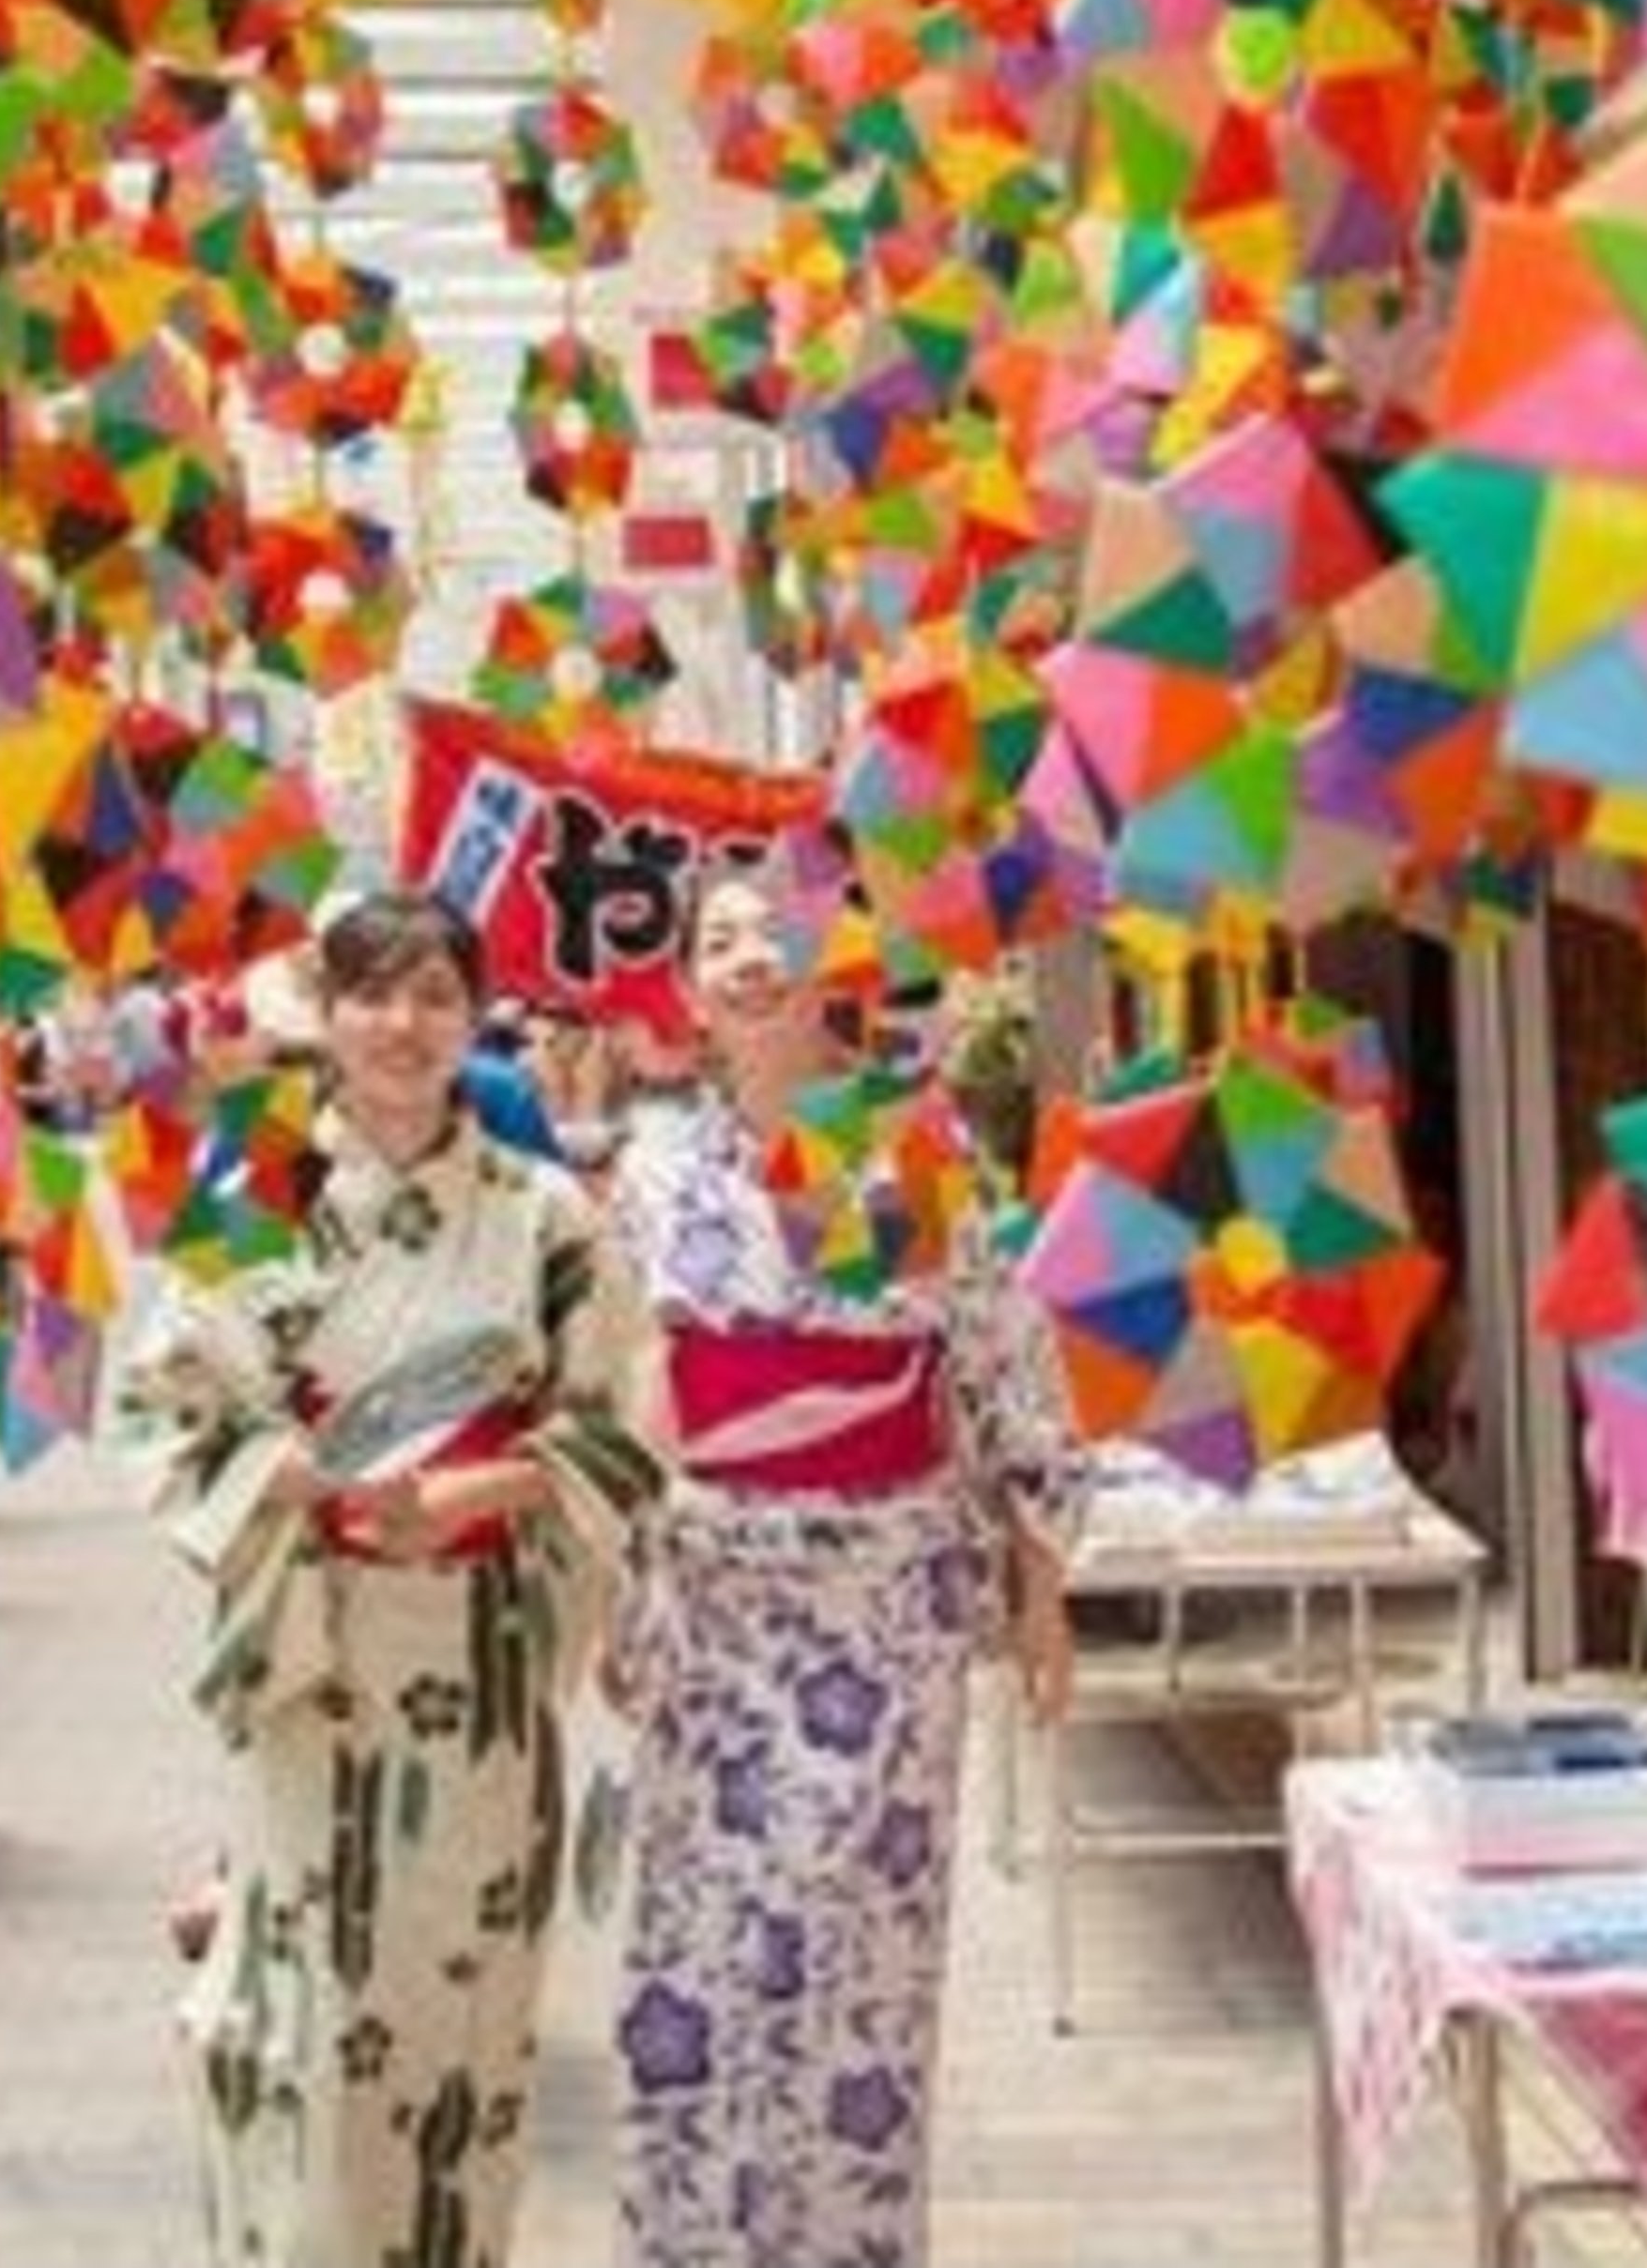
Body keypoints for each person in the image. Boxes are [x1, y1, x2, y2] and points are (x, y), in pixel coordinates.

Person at [130, 890, 663, 2268]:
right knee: (301, 2007)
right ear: (329, 1012)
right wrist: (302, 1477)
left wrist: (473, 1491)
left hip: (479, 1659)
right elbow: (167, 1397)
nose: (403, 1024)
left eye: (435, 994)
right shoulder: (259, 1188)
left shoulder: (542, 1211)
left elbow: (624, 1424)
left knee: (463, 2017)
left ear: (473, 1014)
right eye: (374, 993)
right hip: (319, 1648)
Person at [606, 863, 1082, 2268]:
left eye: (779, 934)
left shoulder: (911, 1152)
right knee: (697, 1958)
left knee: (858, 1959)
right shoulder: (651, 1170)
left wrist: (1043, 1583)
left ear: (840, 964)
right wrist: (615, 1584)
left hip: (880, 1617)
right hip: (708, 1596)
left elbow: (1000, 1360)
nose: (751, 958)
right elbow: (628, 1383)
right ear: (690, 989)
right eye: (721, 941)